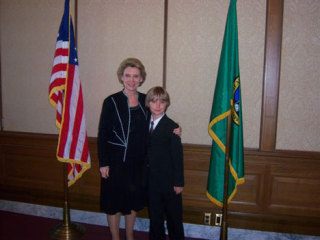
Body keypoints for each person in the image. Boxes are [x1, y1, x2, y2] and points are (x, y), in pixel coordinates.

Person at [98, 58, 181, 240]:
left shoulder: (146, 100)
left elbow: (159, 119)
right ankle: (115, 237)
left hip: (139, 163)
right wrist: (103, 163)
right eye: (127, 75)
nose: (131, 80)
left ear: (141, 79)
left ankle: (129, 236)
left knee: (133, 202)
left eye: (136, 76)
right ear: (121, 77)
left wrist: (175, 128)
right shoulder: (111, 101)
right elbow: (102, 134)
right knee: (114, 202)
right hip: (115, 162)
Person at [145, 86, 185, 240]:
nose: (157, 105)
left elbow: (177, 157)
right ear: (148, 103)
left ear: (167, 104)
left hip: (170, 183)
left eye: (162, 102)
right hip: (151, 182)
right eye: (154, 101)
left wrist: (179, 182)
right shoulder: (144, 124)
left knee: (174, 218)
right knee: (155, 219)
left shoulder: (172, 127)